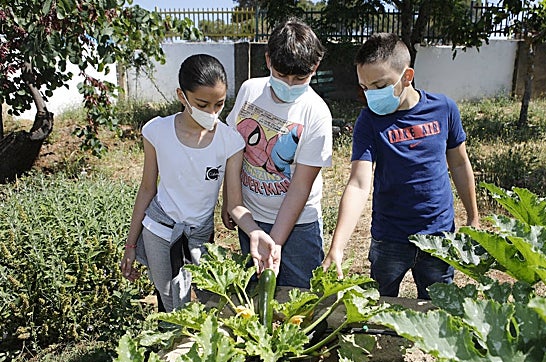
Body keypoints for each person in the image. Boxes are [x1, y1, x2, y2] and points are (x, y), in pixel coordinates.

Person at [322, 33, 479, 300]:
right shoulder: (369, 121)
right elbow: (359, 184)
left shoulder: (444, 109)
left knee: (438, 314)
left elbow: (460, 163)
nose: (372, 95)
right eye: (365, 87)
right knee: (379, 309)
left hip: (439, 237)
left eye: (380, 85)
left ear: (407, 77)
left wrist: (473, 216)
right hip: (390, 238)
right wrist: (337, 247)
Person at [120, 54, 275, 312]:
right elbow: (147, 189)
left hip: (200, 235)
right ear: (182, 96)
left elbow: (234, 205)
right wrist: (131, 244)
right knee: (172, 306)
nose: (212, 113)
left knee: (211, 303)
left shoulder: (230, 141)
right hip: (160, 229)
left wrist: (255, 231)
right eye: (202, 104)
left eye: (219, 104)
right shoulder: (156, 131)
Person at [225, 18, 333, 288]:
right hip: (251, 217)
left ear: (315, 68)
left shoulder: (316, 112)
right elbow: (233, 149)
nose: (289, 83)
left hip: (297, 226)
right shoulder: (250, 90)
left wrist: (276, 243)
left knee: (300, 302)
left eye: (300, 78)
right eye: (282, 75)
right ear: (268, 60)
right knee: (255, 299)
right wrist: (232, 202)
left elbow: (300, 187)